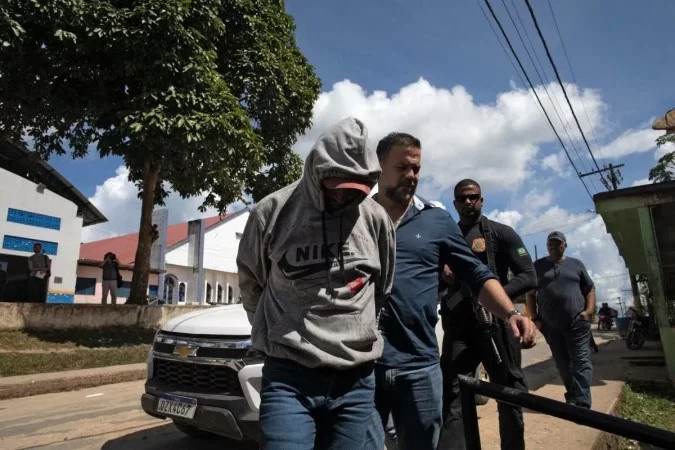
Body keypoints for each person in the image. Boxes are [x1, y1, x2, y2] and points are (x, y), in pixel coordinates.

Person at [236, 117, 396, 450]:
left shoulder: (377, 219)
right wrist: (281, 325)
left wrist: (353, 329)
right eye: (339, 192)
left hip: (356, 380)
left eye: (358, 193)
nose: (346, 201)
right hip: (289, 378)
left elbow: (381, 290)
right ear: (317, 172)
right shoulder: (272, 212)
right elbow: (252, 281)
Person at [369, 132, 535, 450]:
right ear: (379, 166)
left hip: (419, 366)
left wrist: (511, 313)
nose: (411, 176)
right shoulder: (354, 218)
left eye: (416, 169)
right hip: (363, 367)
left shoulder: (437, 222)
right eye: (402, 167)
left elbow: (477, 274)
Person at [438, 179, 537, 450]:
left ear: (482, 200)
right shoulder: (447, 237)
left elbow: (529, 276)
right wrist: (444, 276)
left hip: (496, 327)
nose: (468, 202)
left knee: (510, 395)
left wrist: (493, 298)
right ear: (455, 204)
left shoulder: (501, 233)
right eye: (462, 198)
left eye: (474, 197)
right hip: (459, 329)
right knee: (453, 397)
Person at [526, 231, 596, 408]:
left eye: (557, 243)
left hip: (577, 323)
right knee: (563, 364)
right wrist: (534, 318)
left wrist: (588, 312)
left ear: (564, 245)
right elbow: (531, 294)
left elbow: (589, 288)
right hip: (551, 326)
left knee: (580, 361)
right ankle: (572, 395)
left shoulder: (576, 264)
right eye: (550, 243)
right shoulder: (538, 267)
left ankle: (583, 402)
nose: (553, 246)